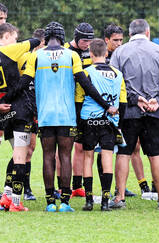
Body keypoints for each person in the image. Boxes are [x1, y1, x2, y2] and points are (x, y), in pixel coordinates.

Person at [18, 21, 116, 212]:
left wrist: (9, 98)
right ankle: (64, 201)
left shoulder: (36, 56)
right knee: (65, 156)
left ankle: (49, 203)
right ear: (63, 37)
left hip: (46, 115)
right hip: (66, 115)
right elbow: (85, 84)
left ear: (46, 37)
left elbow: (24, 83)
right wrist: (106, 105)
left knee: (47, 156)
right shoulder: (71, 55)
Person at [110, 19, 159, 210]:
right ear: (148, 32)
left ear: (130, 33)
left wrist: (135, 99)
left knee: (124, 154)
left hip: (129, 113)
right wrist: (158, 99)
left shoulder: (119, 52)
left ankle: (120, 198)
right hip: (154, 112)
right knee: (156, 155)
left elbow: (115, 81)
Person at [76, 39, 126, 211]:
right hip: (110, 122)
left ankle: (89, 200)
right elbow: (123, 101)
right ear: (106, 54)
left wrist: (79, 123)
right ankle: (105, 202)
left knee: (88, 158)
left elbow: (79, 99)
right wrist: (119, 124)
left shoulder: (86, 72)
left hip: (89, 119)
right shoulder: (118, 74)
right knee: (107, 159)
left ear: (90, 54)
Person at [103, 23, 149, 195]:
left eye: (121, 40)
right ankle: (107, 188)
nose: (119, 43)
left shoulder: (125, 55)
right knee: (106, 149)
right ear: (106, 40)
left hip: (126, 108)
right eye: (115, 40)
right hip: (108, 109)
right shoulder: (102, 57)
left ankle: (141, 185)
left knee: (132, 147)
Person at [0, 23, 41, 212]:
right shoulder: (11, 51)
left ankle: (7, 196)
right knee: (20, 157)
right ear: (6, 36)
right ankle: (16, 202)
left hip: (4, 113)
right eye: (14, 37)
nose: (16, 41)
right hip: (20, 109)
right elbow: (34, 41)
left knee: (18, 155)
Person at [56, 23, 94, 198]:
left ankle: (77, 186)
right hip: (66, 103)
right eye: (84, 40)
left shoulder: (89, 52)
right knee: (63, 147)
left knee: (80, 145)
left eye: (89, 41)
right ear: (77, 38)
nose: (87, 44)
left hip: (84, 104)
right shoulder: (64, 51)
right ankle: (61, 186)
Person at [17, 28, 46, 201]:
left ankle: (25, 188)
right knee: (25, 149)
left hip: (39, 108)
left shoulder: (44, 60)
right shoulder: (25, 57)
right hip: (26, 109)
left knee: (32, 148)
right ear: (39, 43)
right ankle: (24, 188)